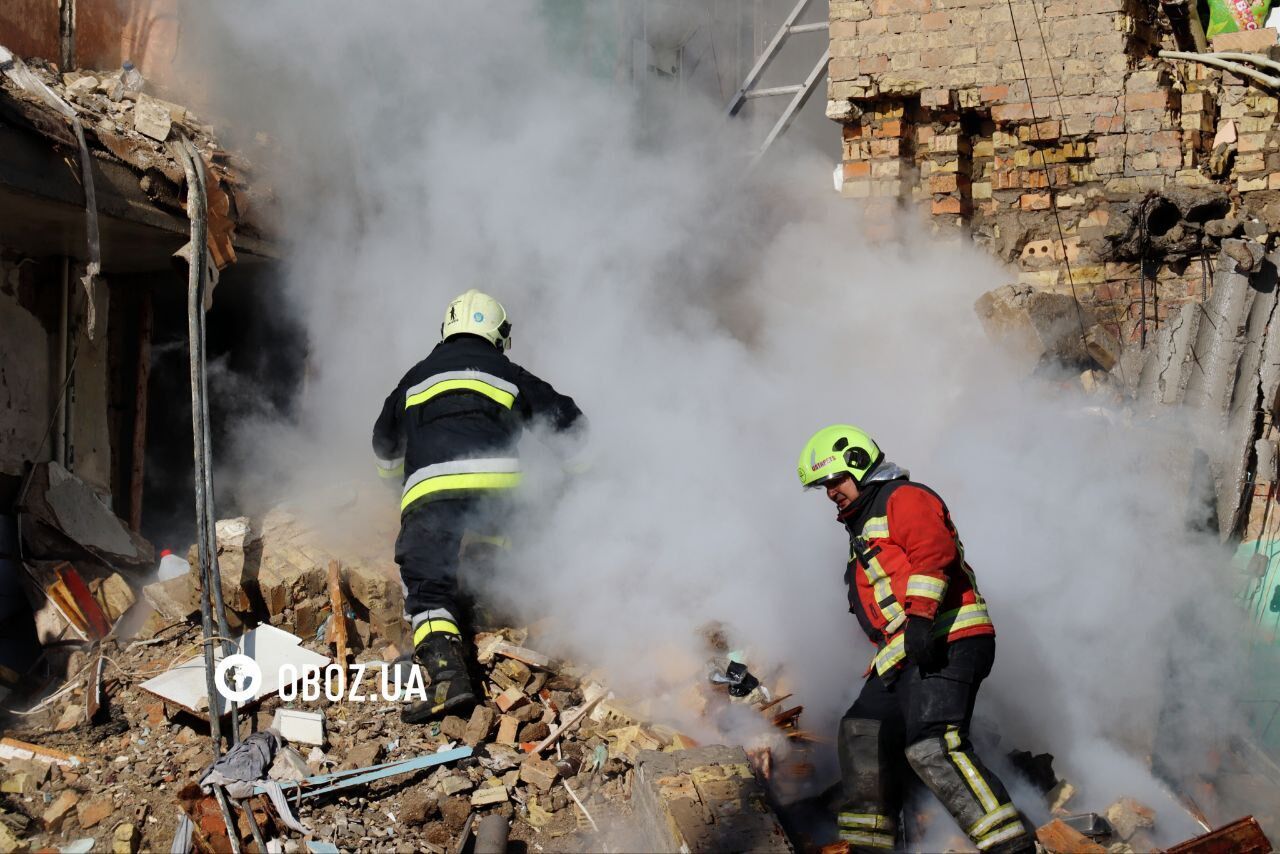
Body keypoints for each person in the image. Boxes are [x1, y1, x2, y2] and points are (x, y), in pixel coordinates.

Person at [796, 425, 1034, 854]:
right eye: (822, 487)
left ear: (857, 464)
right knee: (861, 733)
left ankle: (1010, 847)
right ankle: (870, 846)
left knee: (931, 745)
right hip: (905, 651)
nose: (829, 492)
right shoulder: (863, 526)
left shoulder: (902, 498)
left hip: (949, 636)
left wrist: (922, 621)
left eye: (833, 481)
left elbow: (932, 551)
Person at [373, 289, 584, 723]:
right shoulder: (508, 372)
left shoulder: (414, 377)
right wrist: (582, 478)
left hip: (430, 490)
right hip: (498, 487)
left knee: (428, 587)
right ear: (498, 334)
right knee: (497, 536)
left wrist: (403, 490)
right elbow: (566, 422)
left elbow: (383, 443)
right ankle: (492, 603)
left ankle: (449, 678)